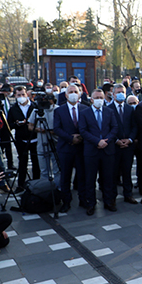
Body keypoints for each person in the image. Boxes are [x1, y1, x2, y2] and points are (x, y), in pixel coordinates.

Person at [79, 89, 118, 215]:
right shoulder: (84, 113)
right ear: (91, 99)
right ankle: (91, 203)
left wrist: (107, 140)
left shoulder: (109, 111)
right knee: (90, 178)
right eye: (96, 98)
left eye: (101, 97)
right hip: (91, 150)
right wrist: (97, 141)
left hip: (107, 149)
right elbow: (83, 130)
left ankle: (108, 201)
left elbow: (114, 128)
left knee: (108, 177)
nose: (99, 100)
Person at [53, 84, 89, 213]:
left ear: (79, 94)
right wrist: (70, 138)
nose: (73, 94)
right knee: (65, 176)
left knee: (82, 175)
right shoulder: (59, 110)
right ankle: (66, 201)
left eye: (75, 91)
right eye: (71, 92)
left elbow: (89, 127)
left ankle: (83, 199)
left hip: (81, 147)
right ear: (66, 95)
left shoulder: (85, 108)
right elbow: (57, 128)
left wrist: (80, 137)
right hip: (65, 148)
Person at [107, 84, 138, 204]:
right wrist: (116, 140)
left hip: (128, 146)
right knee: (113, 172)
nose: (120, 94)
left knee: (127, 171)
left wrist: (130, 139)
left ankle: (128, 194)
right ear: (113, 94)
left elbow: (134, 126)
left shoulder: (130, 109)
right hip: (114, 146)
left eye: (123, 92)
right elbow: (107, 127)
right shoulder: (108, 109)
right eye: (118, 92)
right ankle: (112, 197)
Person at [27, 93, 60, 183]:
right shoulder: (37, 110)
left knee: (57, 170)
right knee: (44, 171)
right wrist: (37, 129)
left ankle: (58, 187)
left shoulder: (58, 109)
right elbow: (30, 126)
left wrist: (52, 131)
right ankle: (45, 188)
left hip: (55, 142)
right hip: (42, 142)